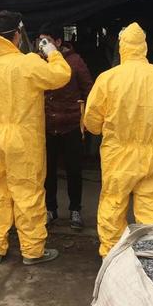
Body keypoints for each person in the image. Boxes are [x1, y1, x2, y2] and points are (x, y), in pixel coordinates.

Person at [0, 11, 71, 265]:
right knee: (27, 192)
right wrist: (52, 51)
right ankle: (33, 251)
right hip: (24, 140)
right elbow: (61, 75)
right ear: (16, 34)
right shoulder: (28, 63)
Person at [84, 22, 153, 257]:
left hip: (118, 154)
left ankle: (111, 258)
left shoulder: (108, 79)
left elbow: (91, 122)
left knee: (113, 205)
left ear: (122, 48)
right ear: (145, 47)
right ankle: (151, 259)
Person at [38, 23, 93, 230]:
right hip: (46, 125)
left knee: (74, 170)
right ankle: (50, 209)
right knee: (47, 170)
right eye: (40, 42)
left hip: (70, 124)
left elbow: (89, 90)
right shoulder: (38, 62)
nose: (42, 46)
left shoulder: (75, 62)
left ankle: (75, 210)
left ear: (59, 42)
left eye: (47, 41)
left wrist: (86, 119)